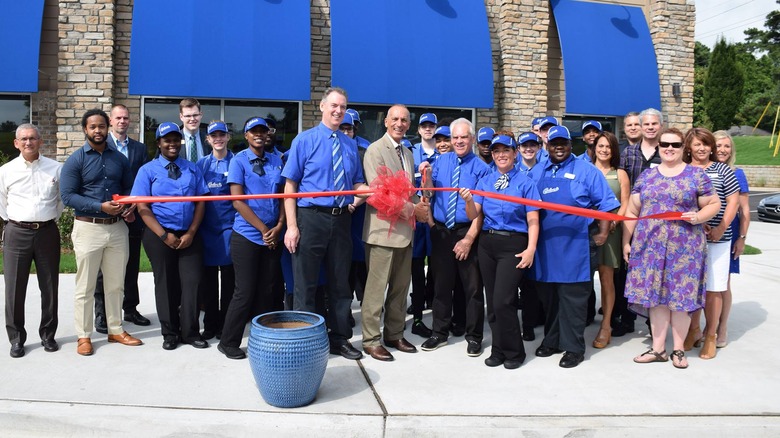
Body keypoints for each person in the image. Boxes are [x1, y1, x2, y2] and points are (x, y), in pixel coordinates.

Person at [282, 87, 368, 360]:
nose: (338, 111)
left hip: (341, 219)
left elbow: (356, 182)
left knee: (340, 284)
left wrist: (378, 189)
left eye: (342, 106)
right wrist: (292, 226)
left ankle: (340, 338)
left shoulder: (350, 145)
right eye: (333, 105)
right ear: (322, 106)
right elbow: (290, 186)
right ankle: (303, 341)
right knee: (305, 285)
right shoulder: (304, 141)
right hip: (311, 218)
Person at [623, 127, 721, 369]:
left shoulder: (695, 176)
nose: (669, 148)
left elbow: (714, 203)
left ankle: (678, 349)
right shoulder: (647, 176)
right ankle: (658, 349)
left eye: (675, 145)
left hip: (685, 249)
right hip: (650, 248)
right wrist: (626, 241)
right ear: (658, 146)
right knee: (656, 300)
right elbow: (632, 211)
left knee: (680, 300)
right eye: (664, 144)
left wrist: (698, 217)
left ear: (683, 148)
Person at [532, 125, 619, 368]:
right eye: (554, 143)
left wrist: (602, 232)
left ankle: (573, 348)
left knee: (573, 299)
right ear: (547, 146)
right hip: (546, 247)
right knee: (549, 298)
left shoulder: (586, 171)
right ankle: (551, 340)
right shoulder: (537, 171)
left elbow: (607, 203)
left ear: (572, 145)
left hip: (577, 245)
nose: (559, 147)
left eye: (563, 143)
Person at [61, 108, 143, 356]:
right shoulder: (76, 160)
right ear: (85, 130)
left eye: (101, 126)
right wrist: (100, 206)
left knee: (116, 284)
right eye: (92, 127)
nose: (98, 131)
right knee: (85, 286)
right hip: (89, 228)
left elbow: (129, 188)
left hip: (117, 228)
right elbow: (67, 196)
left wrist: (129, 208)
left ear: (107, 128)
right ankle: (83, 336)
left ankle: (115, 329)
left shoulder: (119, 159)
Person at [459, 133, 540, 369]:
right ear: (492, 155)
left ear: (515, 153)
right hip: (488, 244)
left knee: (504, 300)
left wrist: (531, 249)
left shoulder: (525, 182)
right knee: (493, 303)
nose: (501, 155)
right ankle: (498, 349)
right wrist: (467, 200)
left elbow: (533, 219)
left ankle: (515, 352)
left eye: (506, 151)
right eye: (496, 151)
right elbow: (474, 214)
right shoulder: (486, 181)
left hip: (514, 244)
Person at [132, 122, 209, 351]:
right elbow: (142, 207)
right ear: (159, 143)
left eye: (176, 139)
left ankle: (190, 331)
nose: (172, 144)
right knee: (166, 284)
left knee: (192, 282)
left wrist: (192, 232)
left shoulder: (192, 168)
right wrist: (164, 235)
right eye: (167, 140)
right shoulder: (147, 170)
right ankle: (170, 332)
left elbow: (201, 202)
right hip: (159, 234)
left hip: (189, 234)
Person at [419, 118, 489, 357]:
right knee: (441, 285)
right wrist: (426, 177)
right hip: (441, 231)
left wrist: (468, 239)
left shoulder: (482, 169)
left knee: (472, 288)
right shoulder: (440, 161)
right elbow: (428, 193)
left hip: (465, 231)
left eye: (463, 137)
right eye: (455, 137)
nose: (458, 141)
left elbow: (481, 210)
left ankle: (474, 336)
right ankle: (439, 333)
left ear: (472, 139)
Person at [217, 117, 285, 360]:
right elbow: (237, 200)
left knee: (267, 290)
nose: (258, 135)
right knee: (244, 291)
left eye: (262, 131)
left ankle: (263, 340)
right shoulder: (238, 161)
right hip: (247, 235)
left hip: (272, 235)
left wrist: (278, 226)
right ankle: (228, 341)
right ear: (245, 135)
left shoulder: (277, 161)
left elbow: (283, 196)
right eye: (253, 131)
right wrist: (263, 229)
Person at [360, 104, 423, 361]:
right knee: (376, 291)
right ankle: (371, 339)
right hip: (382, 233)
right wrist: (413, 210)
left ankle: (394, 333)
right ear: (386, 121)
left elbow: (409, 190)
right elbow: (378, 194)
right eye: (395, 119)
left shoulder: (407, 152)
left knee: (400, 289)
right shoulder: (375, 151)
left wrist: (420, 204)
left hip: (405, 233)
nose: (399, 123)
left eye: (404, 120)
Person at [1, 124, 64, 358]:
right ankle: (16, 338)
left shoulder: (55, 169)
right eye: (24, 139)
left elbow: (61, 200)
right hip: (17, 231)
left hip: (47, 231)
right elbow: (1, 202)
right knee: (14, 289)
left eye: (33, 138)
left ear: (40, 141)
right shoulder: (6, 171)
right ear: (16, 143)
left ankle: (48, 335)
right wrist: (15, 222)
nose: (28, 142)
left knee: (49, 287)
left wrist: (48, 219)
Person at [93, 104, 151, 335]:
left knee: (131, 265)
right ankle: (102, 312)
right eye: (118, 118)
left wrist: (133, 205)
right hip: (107, 214)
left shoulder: (140, 148)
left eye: (126, 118)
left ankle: (130, 308)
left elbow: (142, 180)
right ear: (110, 120)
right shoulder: (100, 147)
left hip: (133, 215)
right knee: (103, 270)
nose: (122, 121)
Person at [683, 128, 739, 360]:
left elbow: (733, 203)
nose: (702, 148)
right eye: (697, 144)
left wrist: (719, 228)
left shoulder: (723, 170)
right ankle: (693, 329)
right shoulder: (683, 170)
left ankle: (712, 335)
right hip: (688, 239)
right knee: (692, 286)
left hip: (718, 239)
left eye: (706, 144)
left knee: (714, 288)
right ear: (689, 147)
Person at [615, 107, 664, 336]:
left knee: (656, 272)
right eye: (646, 124)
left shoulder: (667, 152)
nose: (650, 127)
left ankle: (653, 323)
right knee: (627, 269)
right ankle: (626, 318)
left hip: (658, 224)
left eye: (654, 124)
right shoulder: (628, 153)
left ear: (660, 126)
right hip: (633, 219)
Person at [196, 121, 236, 341]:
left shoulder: (237, 161)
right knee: (208, 282)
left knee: (230, 282)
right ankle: (210, 324)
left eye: (222, 135)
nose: (218, 138)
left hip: (230, 228)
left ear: (228, 137)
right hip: (207, 229)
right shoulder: (201, 165)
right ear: (208, 139)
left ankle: (225, 325)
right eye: (214, 135)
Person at [591, 131, 629, 349]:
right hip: (587, 232)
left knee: (607, 279)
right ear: (595, 147)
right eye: (601, 145)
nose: (604, 150)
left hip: (612, 233)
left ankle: (606, 326)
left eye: (609, 147)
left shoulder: (620, 174)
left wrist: (614, 222)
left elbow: (625, 203)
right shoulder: (585, 170)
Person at [713, 130, 750, 348]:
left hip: (730, 231)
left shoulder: (737, 173)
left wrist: (742, 238)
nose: (723, 150)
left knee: (722, 282)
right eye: (718, 146)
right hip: (705, 230)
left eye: (727, 146)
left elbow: (745, 210)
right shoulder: (704, 170)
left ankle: (722, 327)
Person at [407, 112, 438, 337]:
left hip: (437, 220)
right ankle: (417, 316)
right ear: (418, 129)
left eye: (431, 126)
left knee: (437, 270)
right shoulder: (410, 153)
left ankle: (437, 311)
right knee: (416, 269)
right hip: (417, 219)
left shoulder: (444, 152)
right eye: (424, 126)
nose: (428, 129)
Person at [515, 131, 546, 341]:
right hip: (515, 233)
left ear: (539, 147)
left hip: (538, 233)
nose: (528, 149)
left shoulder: (545, 171)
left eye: (532, 145)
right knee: (514, 283)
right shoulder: (509, 170)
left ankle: (529, 324)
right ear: (518, 148)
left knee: (532, 285)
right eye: (524, 145)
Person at [179, 98, 211, 163]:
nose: (192, 119)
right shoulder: (174, 139)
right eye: (188, 116)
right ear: (181, 117)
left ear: (201, 114)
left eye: (195, 115)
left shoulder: (209, 140)